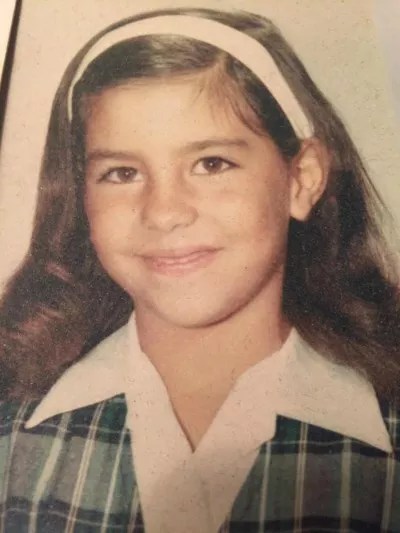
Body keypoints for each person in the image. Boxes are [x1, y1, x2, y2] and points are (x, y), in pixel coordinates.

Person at [0, 6, 400, 533]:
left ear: (301, 179)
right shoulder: (13, 434)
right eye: (122, 172)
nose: (164, 212)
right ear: (80, 198)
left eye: (212, 164)